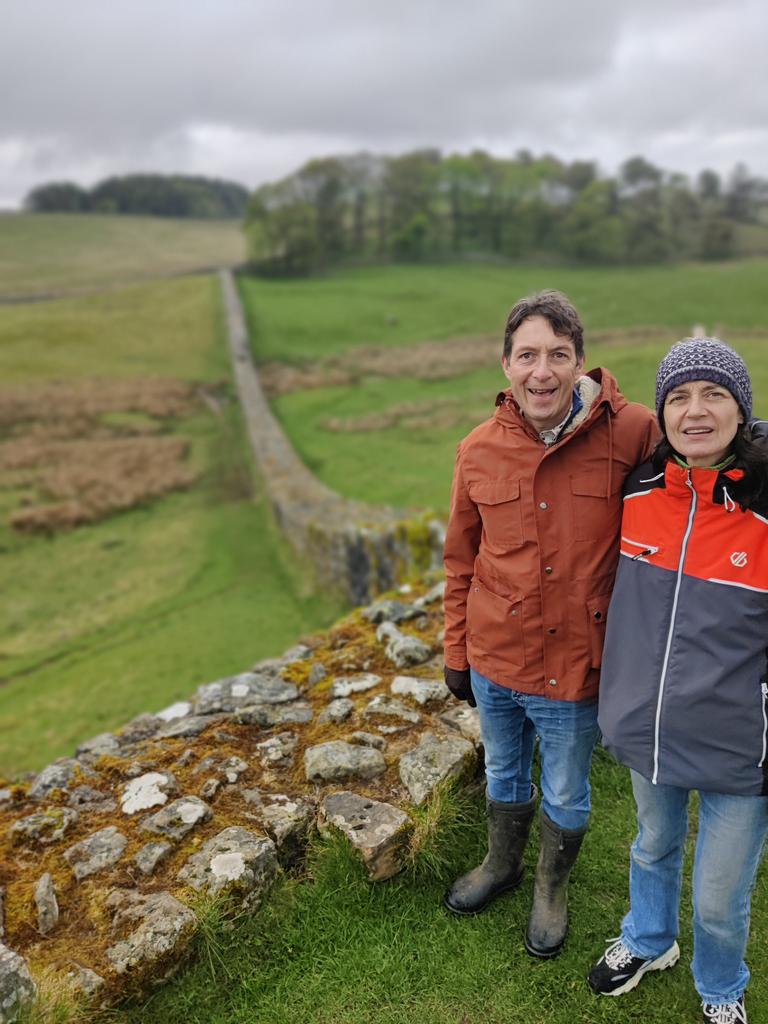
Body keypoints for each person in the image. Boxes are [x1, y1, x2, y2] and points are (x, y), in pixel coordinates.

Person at [442, 289, 658, 957]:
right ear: (505, 365)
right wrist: (456, 650)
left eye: (558, 355)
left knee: (567, 783)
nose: (543, 371)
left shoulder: (633, 431)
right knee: (505, 772)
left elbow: (697, 458)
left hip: (573, 665)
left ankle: (550, 887)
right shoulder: (477, 450)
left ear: (581, 363)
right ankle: (501, 865)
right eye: (528, 355)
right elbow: (460, 557)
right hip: (494, 657)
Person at [588, 338, 768, 1024]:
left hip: (740, 744)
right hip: (652, 727)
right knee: (651, 845)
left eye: (714, 395)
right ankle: (648, 939)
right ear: (661, 415)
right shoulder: (637, 492)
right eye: (679, 398)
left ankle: (721, 987)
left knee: (722, 898)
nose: (696, 411)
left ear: (741, 411)